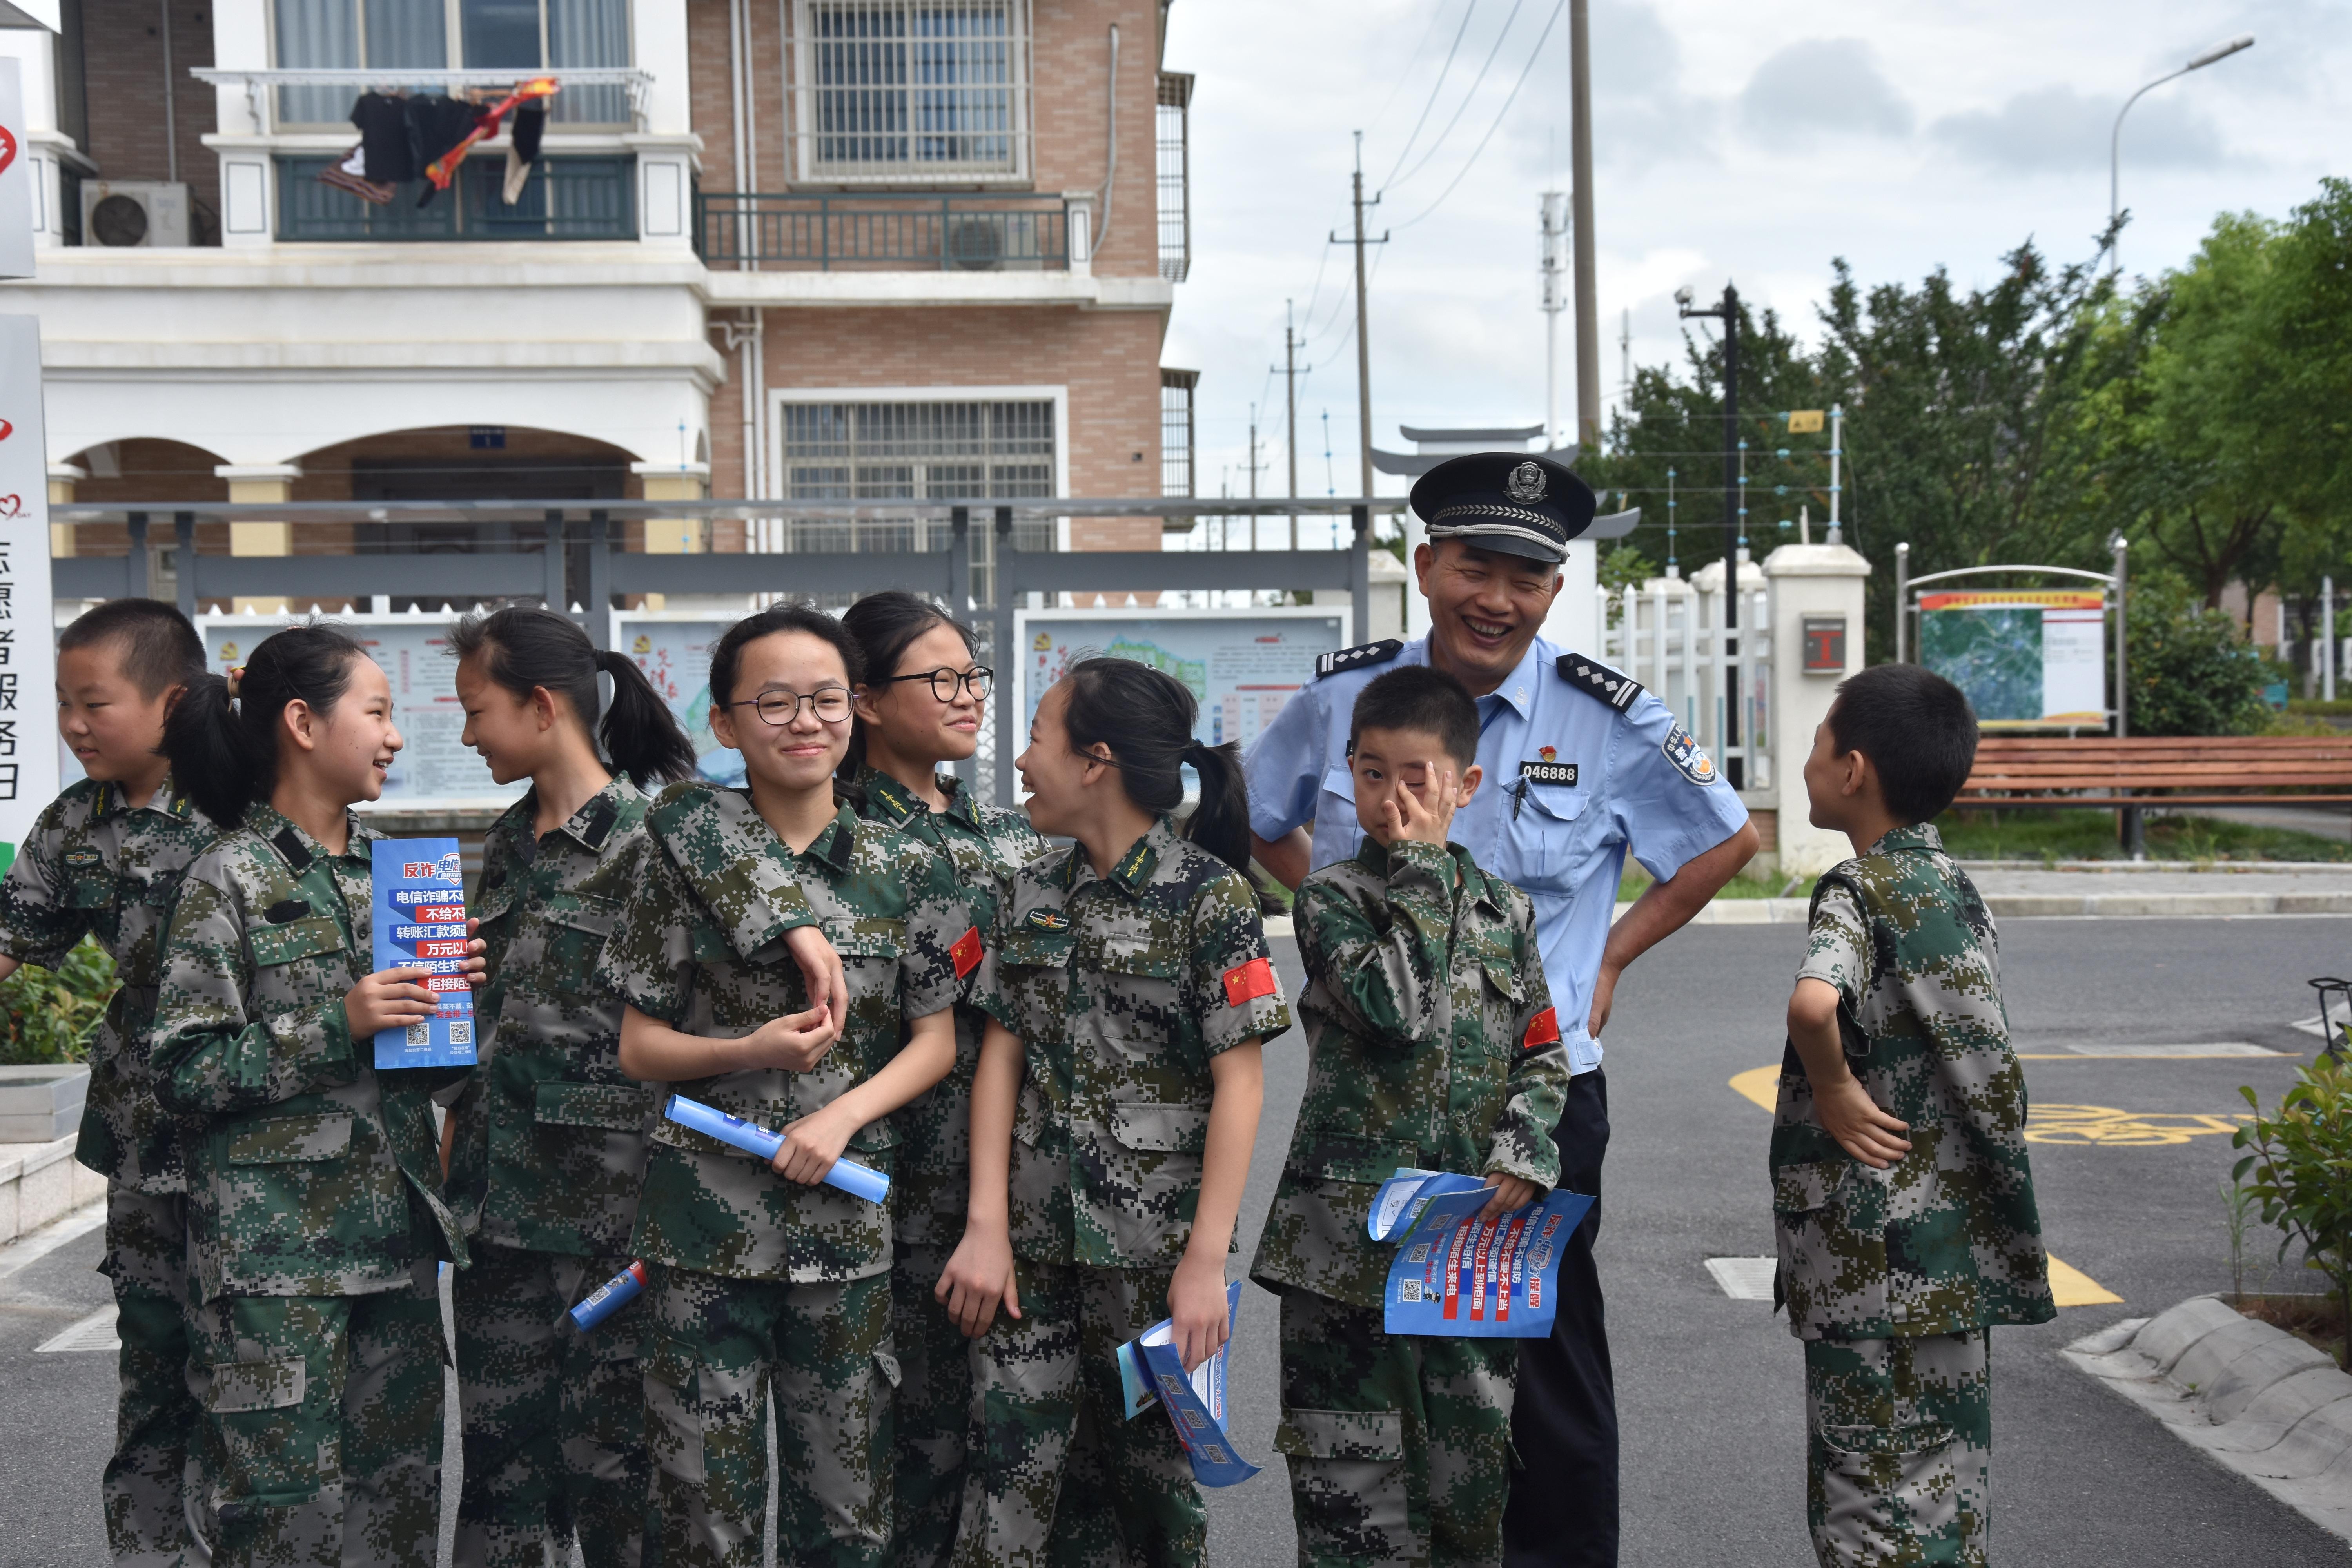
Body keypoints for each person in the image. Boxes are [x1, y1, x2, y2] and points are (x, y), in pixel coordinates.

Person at [1243, 452, 1759, 1566]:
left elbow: (1727, 842)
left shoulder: (1607, 716)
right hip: (1367, 1108)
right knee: (1361, 1367)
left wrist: (1612, 958)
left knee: (1538, 1362)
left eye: (1527, 576)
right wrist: (1333, 920)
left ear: (1554, 592)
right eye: (1476, 567)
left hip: (1533, 1099)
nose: (1499, 598)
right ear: (1426, 567)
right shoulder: (1347, 698)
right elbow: (1261, 813)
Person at [595, 604, 968, 1568]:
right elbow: (639, 1047)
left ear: (860, 710)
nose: (806, 721)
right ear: (725, 722)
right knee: (701, 1516)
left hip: (846, 1239)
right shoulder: (679, 850)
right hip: (702, 1233)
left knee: (847, 1521)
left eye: (827, 699)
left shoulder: (913, 862)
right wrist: (744, 1049)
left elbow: (935, 1041)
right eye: (775, 701)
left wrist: (841, 1115)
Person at [938, 657, 1290, 1568]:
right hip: (1029, 1256)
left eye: (1038, 735)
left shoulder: (1210, 896)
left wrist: (1206, 1264)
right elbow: (999, 1059)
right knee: (1008, 1482)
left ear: (1095, 759)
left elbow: (1240, 1084)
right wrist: (986, 1226)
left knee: (1156, 1498)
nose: (1019, 759)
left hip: (1155, 1262)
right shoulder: (1029, 889)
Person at [148, 622, 485, 1567]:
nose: (391, 736)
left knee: (397, 1510)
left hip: (396, 1252)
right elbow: (183, 1071)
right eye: (376, 712)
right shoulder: (229, 877)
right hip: (276, 1269)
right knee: (280, 1519)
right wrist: (339, 1019)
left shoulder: (394, 876)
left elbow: (432, 1076)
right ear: (302, 720)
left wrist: (452, 1003)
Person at [1250, 664, 1572, 1568]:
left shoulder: (1508, 911)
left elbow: (1544, 1051)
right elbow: (1394, 1005)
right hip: (1346, 1251)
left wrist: (1525, 1144)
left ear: (1466, 786)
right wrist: (1424, 869)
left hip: (1468, 1241)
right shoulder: (1330, 898)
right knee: (1353, 1496)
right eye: (1372, 771)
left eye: (1418, 776)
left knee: (1465, 1491)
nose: (1393, 797)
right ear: (1348, 771)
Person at [438, 606, 701, 1568]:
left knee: (616, 1472)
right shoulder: (510, 842)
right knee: (501, 1467)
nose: (467, 734)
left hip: (611, 1216)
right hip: (498, 1211)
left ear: (541, 706)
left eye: (478, 711)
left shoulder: (654, 843)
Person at [1777, 664, 2052, 1567]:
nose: (1810, 757)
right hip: (1953, 1253)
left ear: (1852, 768)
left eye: (1820, 740)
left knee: (1867, 1507)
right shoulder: (1956, 887)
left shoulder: (1859, 892)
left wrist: (1833, 1087)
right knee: (1947, 1496)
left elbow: (1816, 1002)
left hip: (1871, 1260)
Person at [0, 600, 217, 1568]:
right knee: (154, 1364)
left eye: (95, 703)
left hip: (256, 1138)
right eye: (62, 704)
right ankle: (151, 1551)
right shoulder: (75, 822)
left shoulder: (248, 795)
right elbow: (14, 941)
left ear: (174, 702)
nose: (74, 724)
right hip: (142, 1142)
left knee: (264, 1372)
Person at [838, 592, 1045, 1567]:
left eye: (976, 677)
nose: (969, 697)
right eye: (942, 679)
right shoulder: (832, 838)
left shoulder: (1011, 839)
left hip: (1012, 1183)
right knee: (887, 1452)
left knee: (1006, 1452)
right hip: (883, 1183)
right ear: (868, 701)